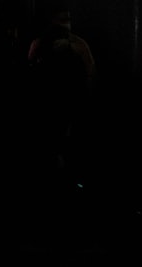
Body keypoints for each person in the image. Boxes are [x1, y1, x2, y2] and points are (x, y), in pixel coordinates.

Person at [25, 10, 96, 189]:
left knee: (63, 138)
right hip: (54, 98)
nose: (65, 24)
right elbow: (90, 70)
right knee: (57, 138)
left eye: (67, 20)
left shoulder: (75, 44)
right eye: (62, 20)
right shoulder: (49, 43)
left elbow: (89, 70)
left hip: (64, 98)